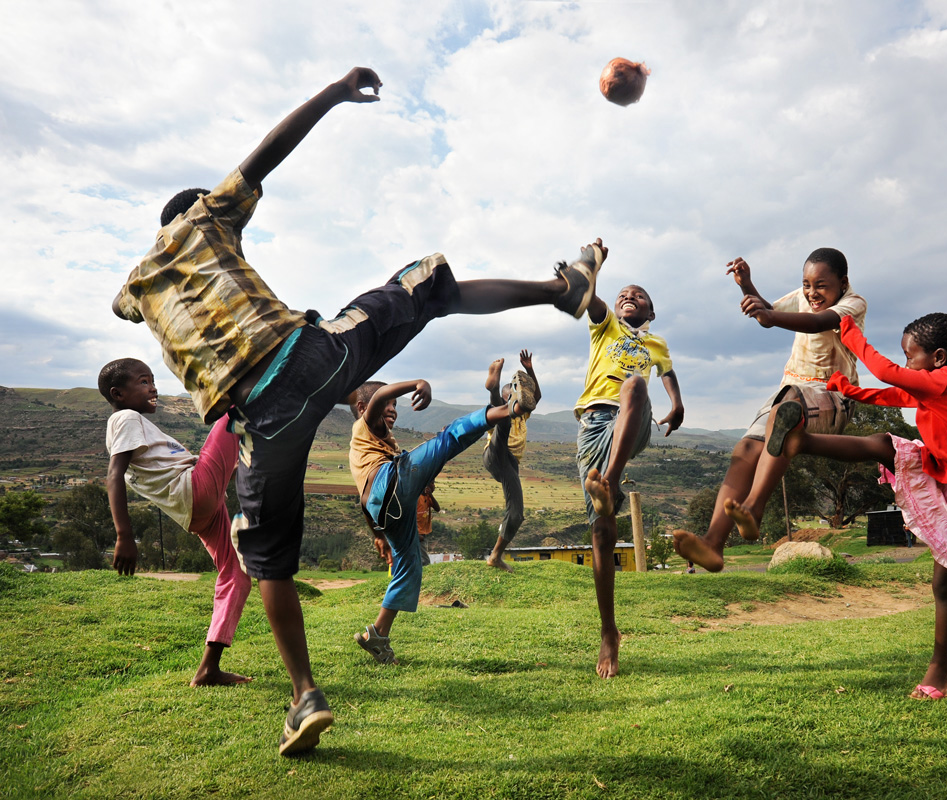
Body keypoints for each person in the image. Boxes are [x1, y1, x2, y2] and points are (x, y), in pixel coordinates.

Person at [111, 67, 604, 755]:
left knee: (269, 562)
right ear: (198, 208)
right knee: (424, 285)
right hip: (307, 358)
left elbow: (126, 304)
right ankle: (563, 290)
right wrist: (337, 92)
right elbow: (267, 153)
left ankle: (304, 694)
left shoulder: (136, 282)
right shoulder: (206, 215)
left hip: (255, 420)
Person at [766, 313, 947, 699]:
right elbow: (891, 394)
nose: (905, 364)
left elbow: (887, 374)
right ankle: (800, 441)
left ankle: (942, 663)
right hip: (937, 470)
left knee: (943, 585)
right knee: (883, 445)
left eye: (910, 357)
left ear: (938, 357)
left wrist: (848, 330)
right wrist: (849, 390)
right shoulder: (935, 384)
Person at [673, 249, 865, 572]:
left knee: (786, 412)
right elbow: (769, 312)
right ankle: (712, 544)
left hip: (833, 396)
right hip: (788, 392)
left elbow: (818, 322)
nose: (812, 293)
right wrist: (747, 287)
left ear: (842, 283)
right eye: (806, 284)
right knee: (745, 447)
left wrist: (771, 318)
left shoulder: (854, 303)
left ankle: (754, 509)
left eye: (821, 286)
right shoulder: (803, 297)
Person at [348, 371, 535, 666]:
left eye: (397, 404)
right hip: (389, 484)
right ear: (363, 408)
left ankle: (378, 635)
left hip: (385, 509)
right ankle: (511, 409)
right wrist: (420, 384)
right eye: (389, 404)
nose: (393, 409)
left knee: (409, 570)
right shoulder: (366, 425)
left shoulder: (372, 446)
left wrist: (378, 534)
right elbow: (378, 397)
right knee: (450, 436)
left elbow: (364, 500)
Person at [100, 358, 251, 688]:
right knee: (232, 409)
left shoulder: (133, 421)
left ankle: (209, 669)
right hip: (195, 491)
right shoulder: (124, 419)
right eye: (143, 381)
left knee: (236, 573)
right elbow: (114, 476)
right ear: (118, 394)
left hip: (195, 512)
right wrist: (124, 535)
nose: (152, 387)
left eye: (152, 380)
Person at [575, 269, 685, 678]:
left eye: (638, 295)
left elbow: (668, 375)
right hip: (593, 425)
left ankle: (610, 480)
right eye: (624, 294)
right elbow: (589, 296)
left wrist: (677, 404)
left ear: (650, 311)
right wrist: (594, 266)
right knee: (602, 532)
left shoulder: (655, 343)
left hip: (632, 422)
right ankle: (609, 633)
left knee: (636, 385)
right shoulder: (604, 327)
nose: (629, 296)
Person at [483, 351, 540, 571]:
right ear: (509, 397)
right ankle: (492, 387)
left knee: (516, 514)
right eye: (517, 394)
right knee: (502, 418)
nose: (524, 397)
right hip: (496, 454)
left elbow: (535, 399)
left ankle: (495, 556)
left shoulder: (524, 413)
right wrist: (496, 394)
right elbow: (500, 410)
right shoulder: (498, 409)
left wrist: (529, 369)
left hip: (509, 464)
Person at [416, 481, 440, 566]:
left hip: (423, 533)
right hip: (417, 534)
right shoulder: (417, 498)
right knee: (425, 561)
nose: (434, 486)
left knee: (420, 558)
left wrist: (430, 495)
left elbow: (437, 508)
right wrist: (416, 533)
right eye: (432, 484)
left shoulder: (427, 497)